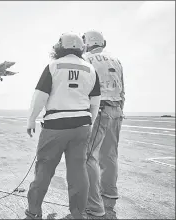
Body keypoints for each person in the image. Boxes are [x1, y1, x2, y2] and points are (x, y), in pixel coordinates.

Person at [25, 32, 101, 219]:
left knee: (44, 169)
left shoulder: (53, 66)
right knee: (78, 171)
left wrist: (31, 120)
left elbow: (39, 97)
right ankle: (77, 214)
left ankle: (33, 212)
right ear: (81, 48)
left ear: (59, 47)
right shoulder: (90, 69)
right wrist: (88, 122)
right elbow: (95, 102)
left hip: (55, 127)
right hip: (82, 126)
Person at [82, 30, 125, 217]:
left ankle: (92, 203)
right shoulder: (116, 60)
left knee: (87, 156)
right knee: (110, 155)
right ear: (102, 42)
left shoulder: (86, 60)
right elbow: (123, 88)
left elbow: (84, 89)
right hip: (117, 109)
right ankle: (109, 194)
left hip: (99, 110)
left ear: (86, 42)